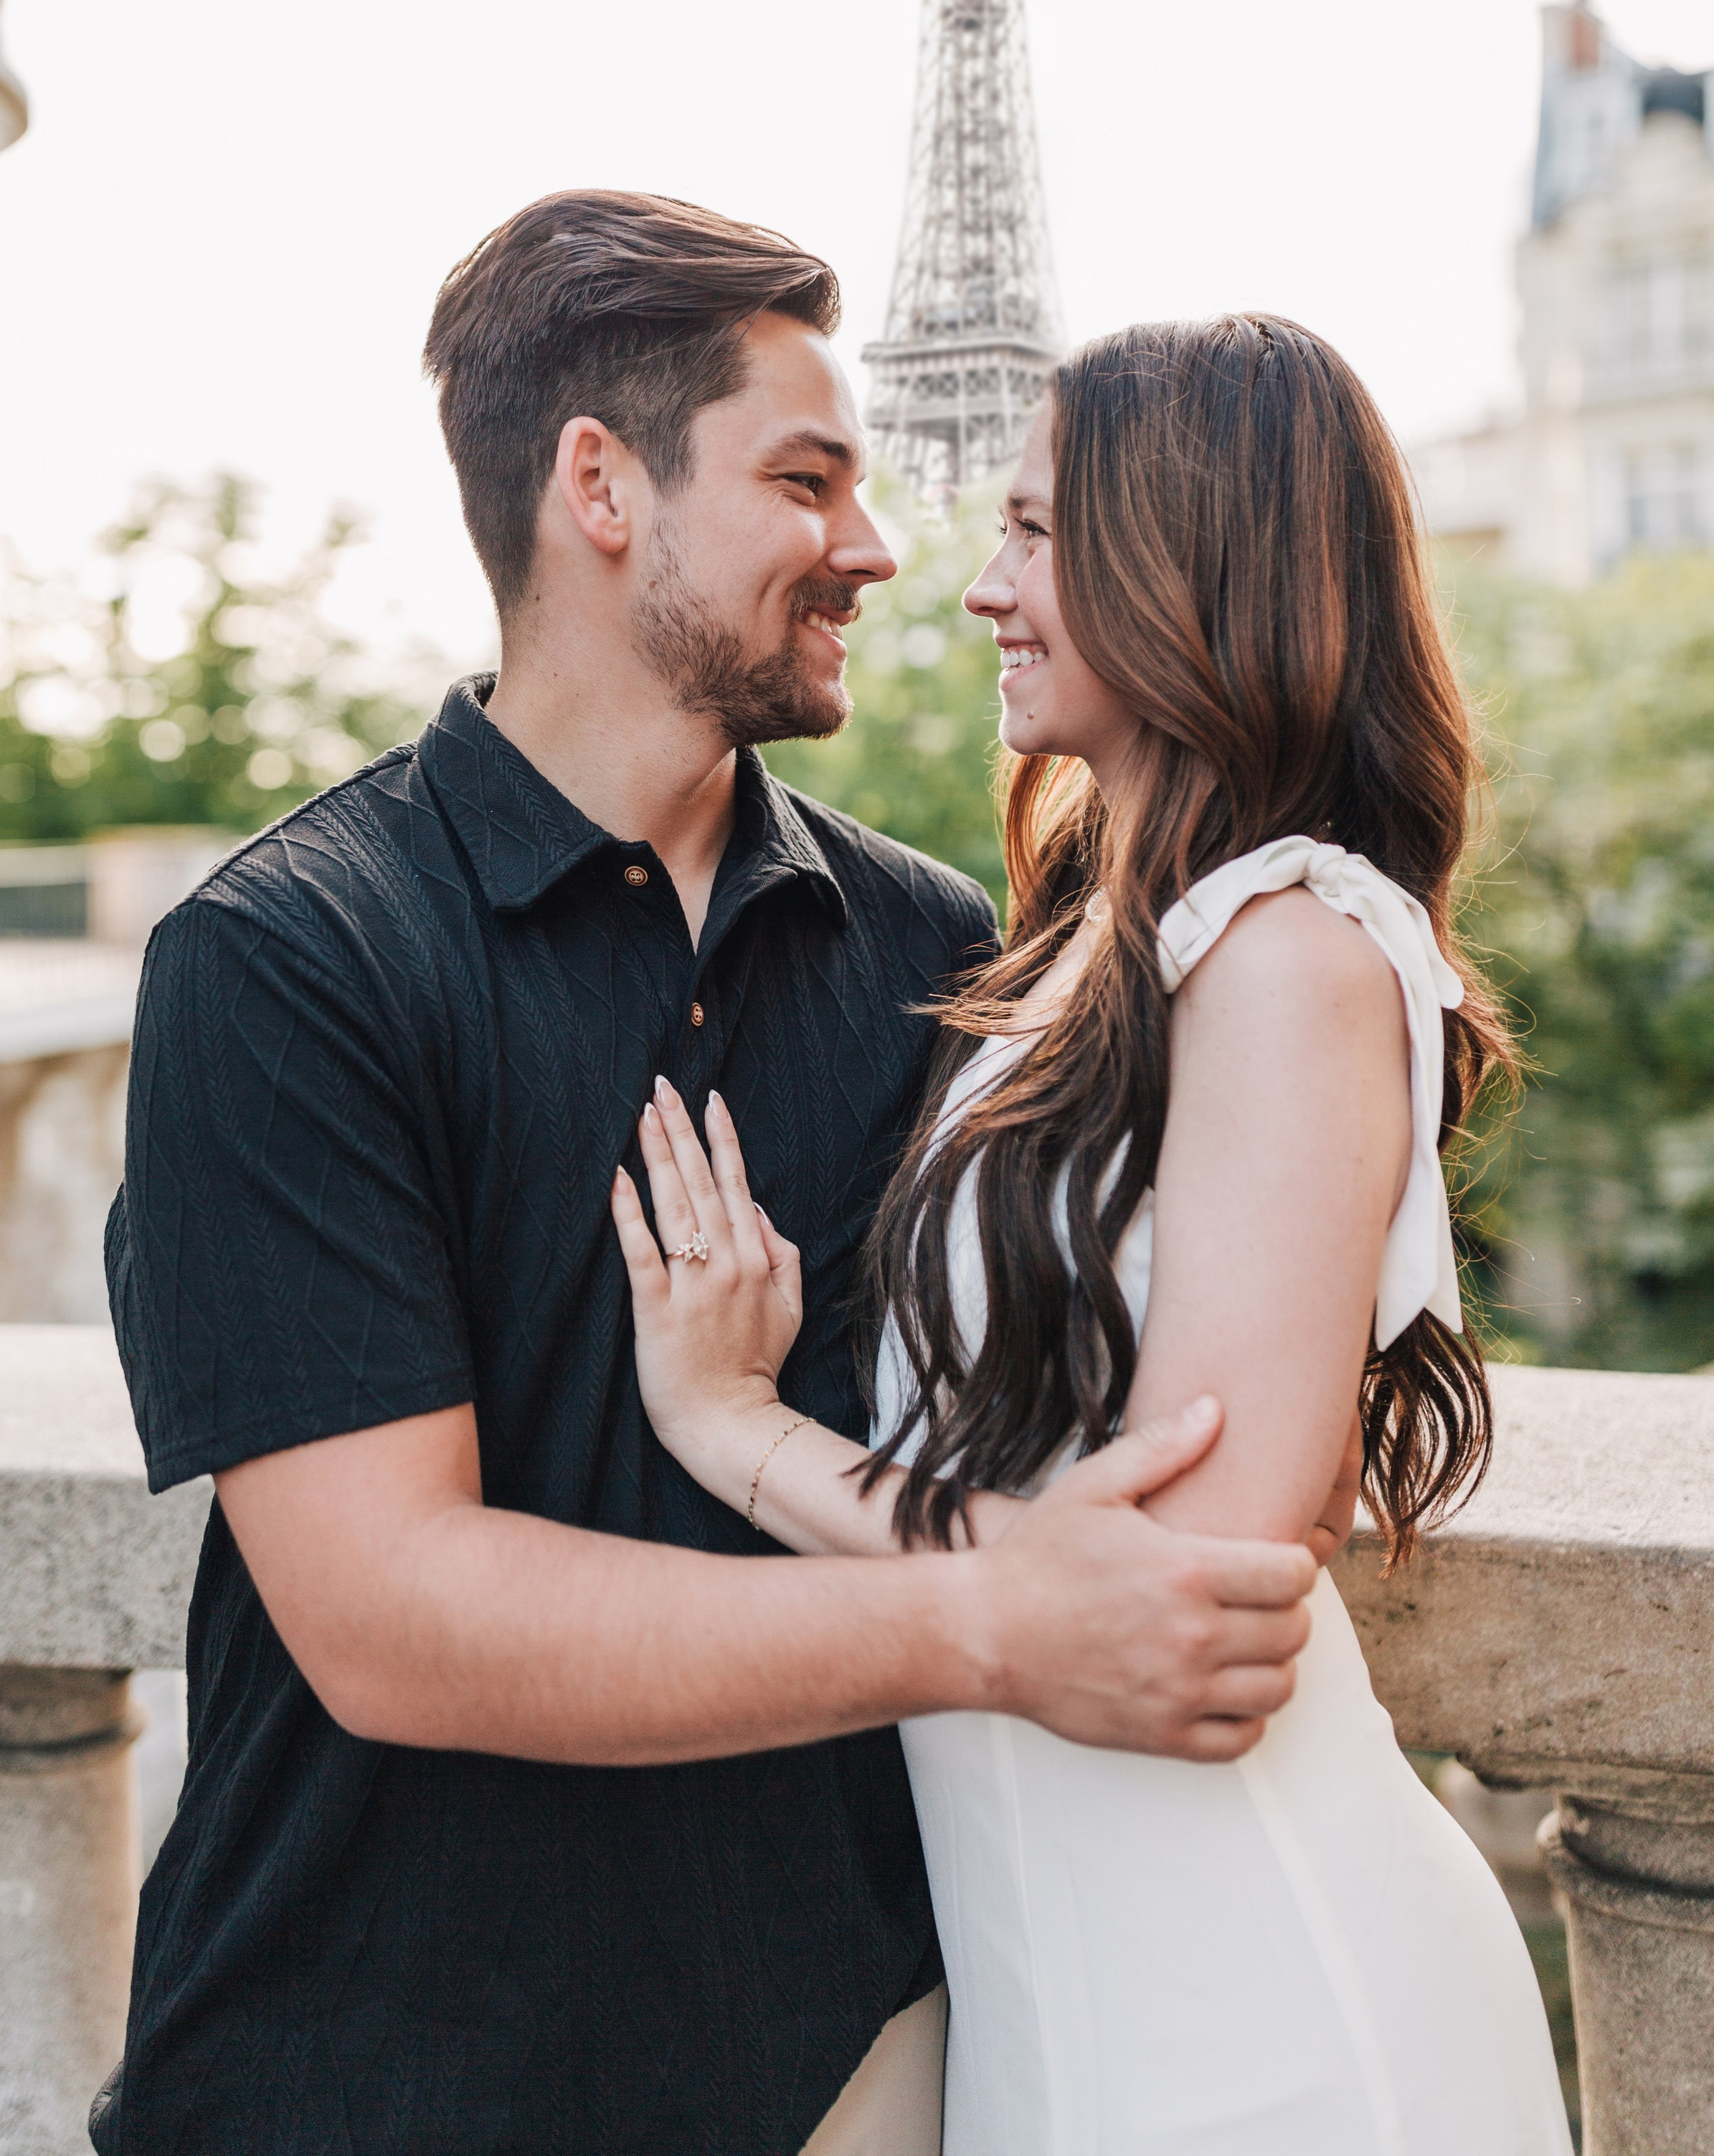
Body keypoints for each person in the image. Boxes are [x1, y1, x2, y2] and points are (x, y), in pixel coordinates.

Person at [91, 197, 1335, 2156]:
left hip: (835, 2058)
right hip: (374, 2068)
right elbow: (391, 1613)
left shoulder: (938, 950)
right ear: (602, 485)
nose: (875, 543)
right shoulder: (283, 963)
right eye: (807, 478)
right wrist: (1005, 1624)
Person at [613, 314, 1574, 2155]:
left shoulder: (1289, 955)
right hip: (1070, 2011)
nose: (979, 588)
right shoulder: (1085, 958)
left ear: (1189, 558)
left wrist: (741, 1437)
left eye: (1038, 533)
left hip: (1259, 2024)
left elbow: (1185, 1588)